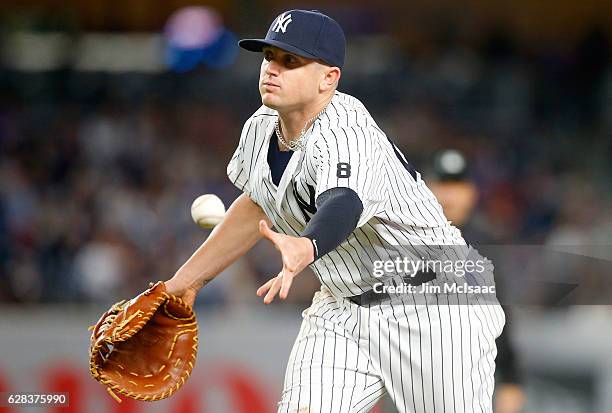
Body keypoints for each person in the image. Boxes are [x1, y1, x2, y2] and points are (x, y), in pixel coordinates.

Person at [165, 10, 505, 412]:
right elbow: (257, 203)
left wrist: (306, 246)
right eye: (269, 56)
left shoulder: (346, 129)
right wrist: (184, 283)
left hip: (433, 303)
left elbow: (344, 202)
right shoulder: (259, 127)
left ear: (329, 78)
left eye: (290, 61)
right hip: (343, 307)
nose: (273, 69)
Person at [429, 149, 526, 413]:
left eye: (457, 185)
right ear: (426, 190)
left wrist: (511, 381)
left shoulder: (485, 246)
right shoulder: (400, 240)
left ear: (471, 193)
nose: (449, 195)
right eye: (442, 185)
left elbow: (501, 322)